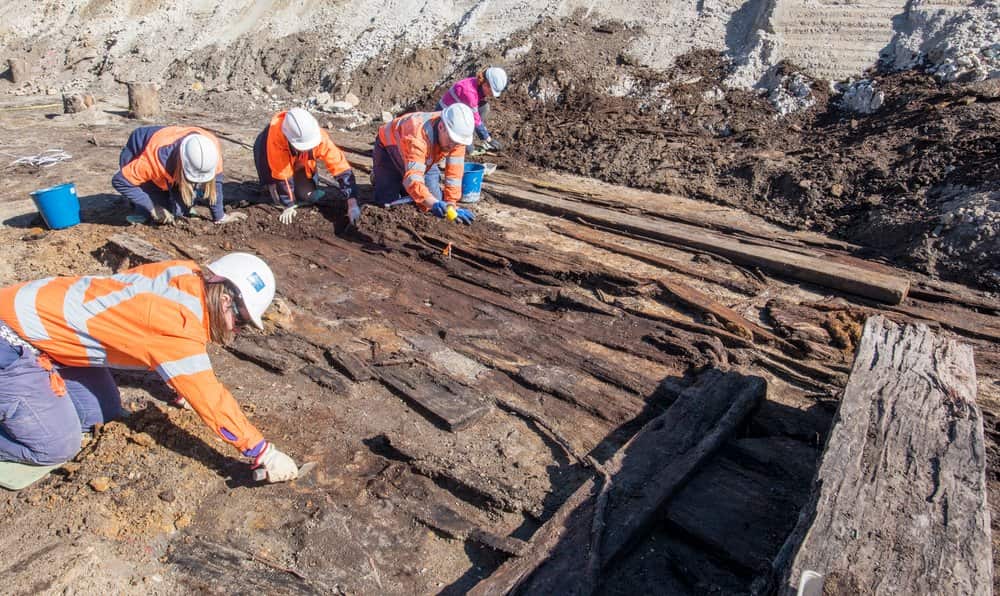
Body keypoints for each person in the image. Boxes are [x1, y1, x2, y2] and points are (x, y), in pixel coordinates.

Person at [0, 253, 300, 483]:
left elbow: (141, 329)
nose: (237, 331)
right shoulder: (178, 327)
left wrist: (176, 384)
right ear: (225, 298)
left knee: (99, 412)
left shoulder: (186, 272)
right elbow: (211, 400)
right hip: (9, 340)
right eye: (242, 321)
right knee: (56, 446)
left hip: (39, 324)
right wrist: (262, 452)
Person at [112, 126, 242, 226]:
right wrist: (152, 207)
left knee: (180, 211)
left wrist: (220, 217)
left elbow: (215, 186)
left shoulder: (211, 151)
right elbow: (120, 181)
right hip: (138, 150)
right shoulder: (154, 159)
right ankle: (140, 208)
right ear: (182, 164)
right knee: (155, 213)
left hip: (169, 152)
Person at [371, 104, 476, 224]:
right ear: (441, 126)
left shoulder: (456, 137)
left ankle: (401, 182)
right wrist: (431, 202)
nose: (453, 146)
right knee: (388, 204)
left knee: (431, 202)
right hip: (389, 148)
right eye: (451, 142)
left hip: (425, 158)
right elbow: (413, 177)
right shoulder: (417, 136)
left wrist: (451, 203)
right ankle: (379, 176)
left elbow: (454, 174)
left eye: (457, 143)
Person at [253, 108, 360, 225]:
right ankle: (270, 185)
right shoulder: (277, 140)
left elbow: (340, 166)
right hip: (265, 152)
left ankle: (299, 182)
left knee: (306, 195)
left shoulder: (316, 136)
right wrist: (288, 204)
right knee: (278, 197)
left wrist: (352, 203)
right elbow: (283, 176)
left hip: (298, 158)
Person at [437, 66, 508, 153]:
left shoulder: (477, 84)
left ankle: (469, 132)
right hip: (445, 116)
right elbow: (476, 119)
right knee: (469, 150)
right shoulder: (469, 93)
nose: (491, 95)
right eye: (491, 91)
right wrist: (488, 139)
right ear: (486, 84)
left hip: (459, 110)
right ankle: (465, 134)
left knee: (484, 107)